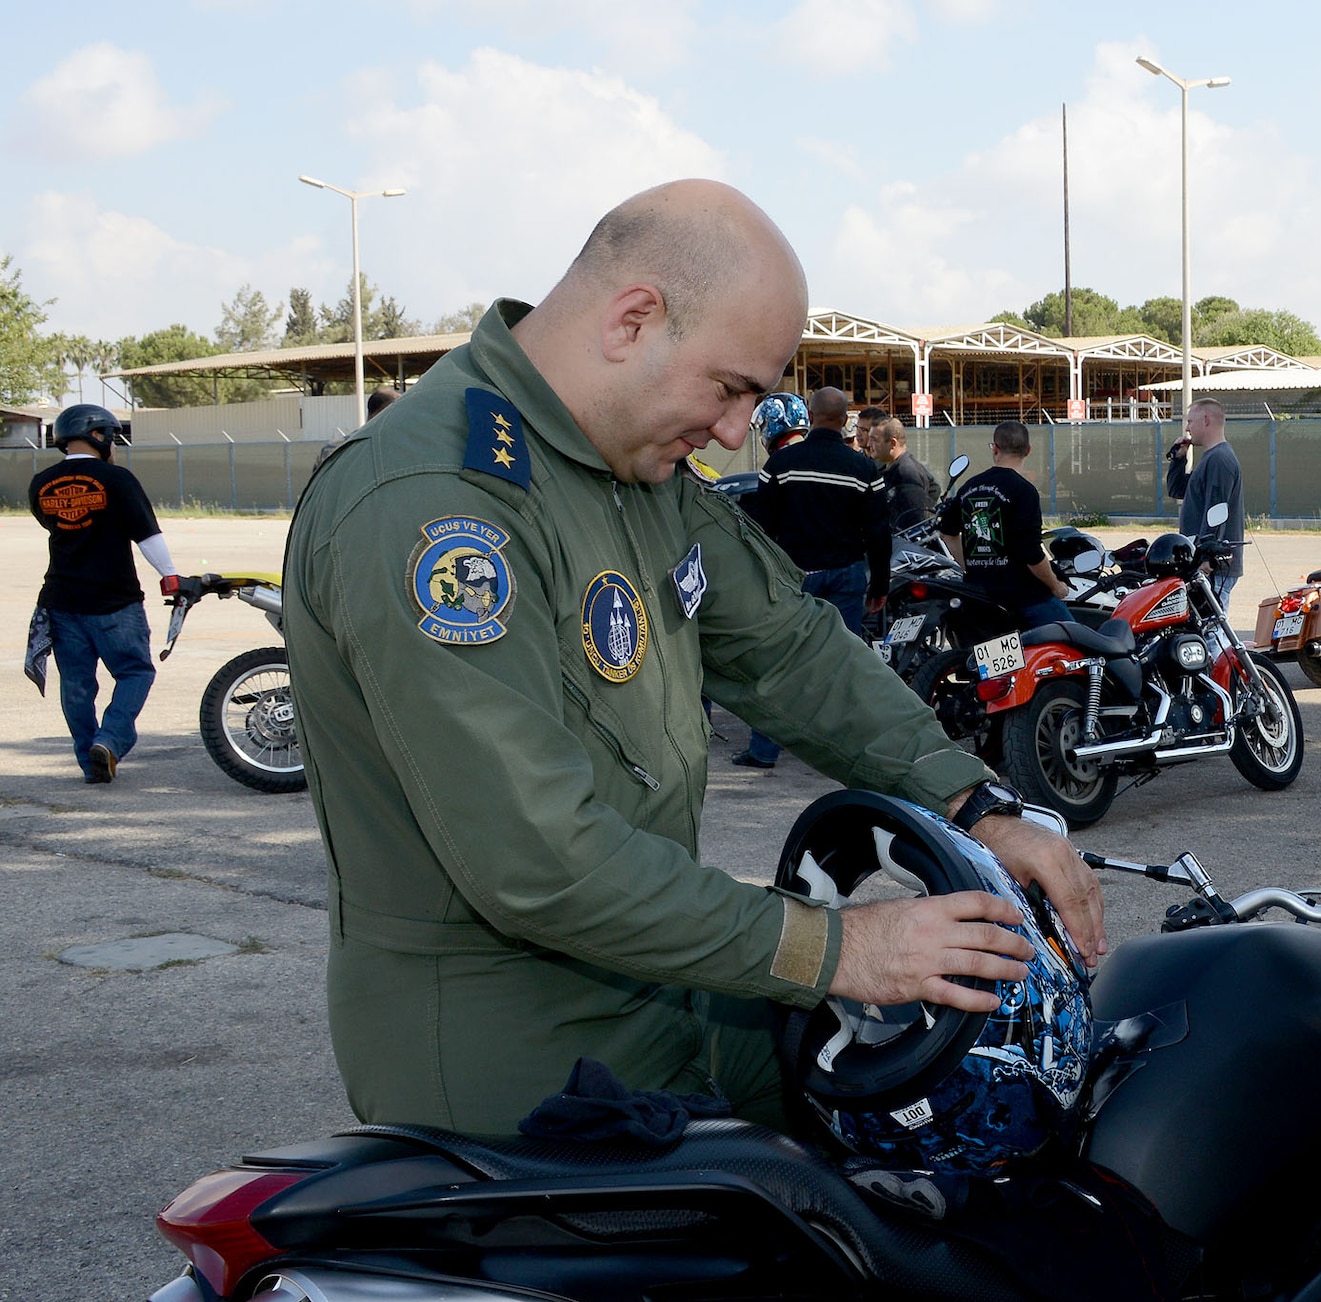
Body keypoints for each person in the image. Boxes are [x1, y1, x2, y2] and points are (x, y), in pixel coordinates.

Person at [284, 180, 1104, 1138]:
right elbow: (542, 862)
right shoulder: (434, 504)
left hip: (676, 986)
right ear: (634, 320)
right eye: (731, 389)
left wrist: (973, 803)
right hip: (523, 1066)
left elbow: (788, 649)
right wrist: (841, 948)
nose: (734, 431)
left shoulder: (633, 467)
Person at [26, 403, 190, 783]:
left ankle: (90, 762)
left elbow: (55, 527)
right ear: (98, 436)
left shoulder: (41, 484)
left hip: (61, 601)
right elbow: (147, 535)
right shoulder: (117, 480)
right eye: (112, 437)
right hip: (115, 601)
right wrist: (170, 577)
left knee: (77, 685)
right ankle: (111, 741)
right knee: (135, 671)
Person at [733, 385, 892, 769]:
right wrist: (881, 585)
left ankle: (764, 751)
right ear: (843, 420)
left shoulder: (780, 466)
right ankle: (850, 753)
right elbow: (879, 533)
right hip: (846, 576)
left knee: (778, 662)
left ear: (811, 414)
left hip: (793, 578)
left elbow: (760, 527)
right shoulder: (863, 468)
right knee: (845, 663)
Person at [937, 420, 1071, 629]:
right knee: (1076, 644)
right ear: (1028, 450)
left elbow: (947, 533)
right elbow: (1031, 552)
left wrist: (972, 567)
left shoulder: (969, 487)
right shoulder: (1024, 491)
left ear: (995, 448)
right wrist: (1055, 585)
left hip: (979, 594)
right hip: (1024, 597)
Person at [1171, 398, 1244, 615]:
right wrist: (1178, 459)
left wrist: (1206, 558)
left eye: (1190, 421)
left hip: (1214, 567)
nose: (1187, 427)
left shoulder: (1220, 459)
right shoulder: (1210, 458)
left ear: (1205, 420)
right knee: (1202, 628)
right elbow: (1178, 490)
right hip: (1203, 562)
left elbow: (1217, 511)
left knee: (1212, 631)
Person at [872, 416, 940, 531]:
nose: (869, 444)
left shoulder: (906, 473)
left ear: (892, 443)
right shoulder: (891, 468)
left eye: (875, 440)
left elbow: (915, 524)